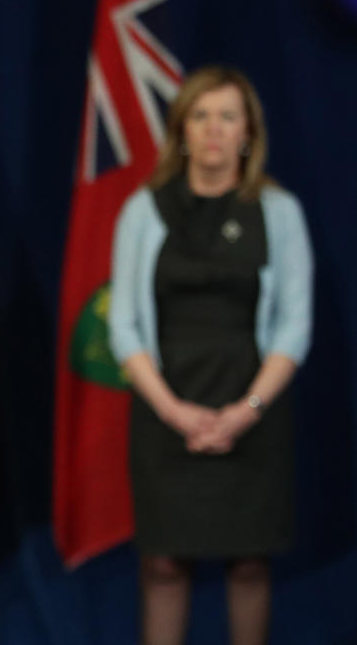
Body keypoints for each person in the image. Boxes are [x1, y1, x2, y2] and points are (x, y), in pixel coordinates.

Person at [108, 66, 312, 645]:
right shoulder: (142, 211)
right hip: (165, 414)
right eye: (200, 116)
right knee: (164, 566)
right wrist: (175, 412)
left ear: (248, 132)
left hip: (253, 413)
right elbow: (123, 326)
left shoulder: (279, 212)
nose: (214, 129)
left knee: (249, 563)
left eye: (227, 116)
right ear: (182, 130)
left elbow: (295, 326)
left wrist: (246, 410)